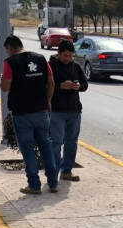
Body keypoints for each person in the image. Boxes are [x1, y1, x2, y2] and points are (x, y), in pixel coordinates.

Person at [0, 35, 58, 194]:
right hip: (41, 111)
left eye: (7, 50)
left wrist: (2, 80)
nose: (7, 54)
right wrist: (49, 101)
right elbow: (51, 82)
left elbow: (5, 87)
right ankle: (53, 182)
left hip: (22, 113)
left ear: (10, 47)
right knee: (46, 145)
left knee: (27, 149)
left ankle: (34, 185)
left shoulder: (10, 63)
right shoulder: (40, 59)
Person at [48, 40, 88, 183]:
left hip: (74, 110)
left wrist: (78, 86)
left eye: (71, 56)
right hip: (56, 111)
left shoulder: (75, 66)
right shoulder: (50, 66)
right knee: (56, 143)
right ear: (58, 53)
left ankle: (66, 171)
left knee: (72, 142)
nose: (68, 59)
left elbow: (85, 85)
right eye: (65, 55)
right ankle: (53, 174)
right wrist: (60, 86)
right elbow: (44, 86)